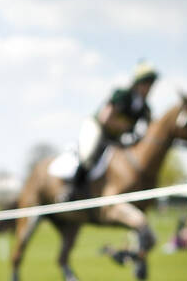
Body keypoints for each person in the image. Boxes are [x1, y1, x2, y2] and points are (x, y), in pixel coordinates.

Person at [67, 60, 158, 200]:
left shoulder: (145, 108)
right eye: (147, 84)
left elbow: (150, 130)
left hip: (115, 137)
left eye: (151, 84)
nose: (149, 88)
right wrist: (126, 127)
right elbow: (105, 118)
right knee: (88, 153)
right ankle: (71, 191)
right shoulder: (122, 94)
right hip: (98, 128)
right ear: (138, 83)